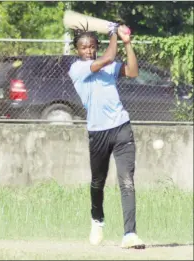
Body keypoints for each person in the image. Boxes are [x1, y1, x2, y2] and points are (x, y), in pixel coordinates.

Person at [68, 24, 145, 249]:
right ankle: (97, 220)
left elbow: (132, 71)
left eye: (92, 47)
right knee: (97, 182)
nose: (88, 51)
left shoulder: (108, 68)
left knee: (127, 181)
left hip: (121, 127)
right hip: (97, 132)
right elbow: (109, 56)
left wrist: (127, 43)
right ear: (77, 50)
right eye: (83, 48)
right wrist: (113, 32)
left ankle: (130, 234)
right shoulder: (77, 69)